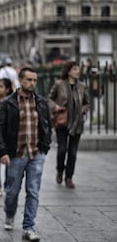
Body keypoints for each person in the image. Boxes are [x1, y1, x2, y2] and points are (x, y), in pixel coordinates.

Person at [0, 67, 52, 241]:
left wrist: (45, 146)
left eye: (35, 80)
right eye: (29, 80)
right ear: (20, 80)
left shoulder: (41, 102)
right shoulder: (8, 103)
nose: (32, 83)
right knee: (12, 191)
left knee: (33, 190)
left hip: (36, 153)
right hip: (16, 154)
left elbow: (47, 126)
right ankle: (9, 214)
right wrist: (3, 152)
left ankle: (29, 227)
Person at [47, 61, 90, 189]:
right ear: (69, 71)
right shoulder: (59, 84)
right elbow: (49, 98)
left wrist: (83, 109)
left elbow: (87, 102)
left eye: (78, 69)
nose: (78, 71)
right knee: (62, 149)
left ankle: (69, 177)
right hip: (62, 121)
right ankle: (60, 169)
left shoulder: (82, 86)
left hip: (77, 123)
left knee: (72, 152)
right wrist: (56, 107)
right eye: (75, 69)